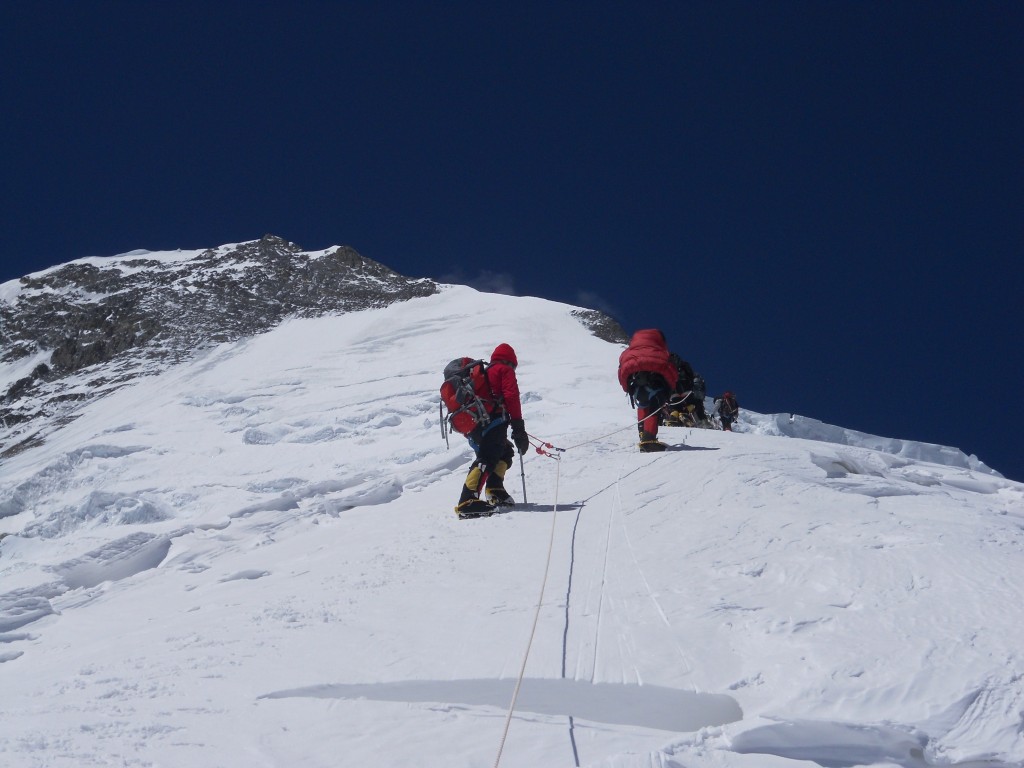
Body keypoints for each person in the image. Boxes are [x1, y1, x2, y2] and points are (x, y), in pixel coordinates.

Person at [454, 343, 530, 517]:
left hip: (477, 424)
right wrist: (518, 427)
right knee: (488, 457)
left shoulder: (486, 372)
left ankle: (495, 490)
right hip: (493, 421)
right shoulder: (505, 370)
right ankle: (467, 501)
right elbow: (511, 396)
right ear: (512, 361)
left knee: (504, 452)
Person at [617, 329, 678, 452]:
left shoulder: (627, 353)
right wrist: (670, 389)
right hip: (656, 385)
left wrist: (626, 387)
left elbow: (622, 371)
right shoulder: (662, 352)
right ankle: (649, 439)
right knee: (653, 408)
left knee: (643, 405)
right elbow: (671, 371)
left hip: (637, 387)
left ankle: (642, 433)